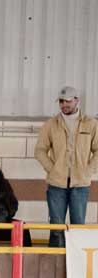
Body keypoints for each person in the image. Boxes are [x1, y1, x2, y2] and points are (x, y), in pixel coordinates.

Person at [34, 86, 98, 247]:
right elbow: (40, 151)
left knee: (78, 227)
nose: (64, 104)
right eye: (61, 101)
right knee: (56, 227)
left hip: (80, 185)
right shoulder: (50, 124)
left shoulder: (91, 124)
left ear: (77, 100)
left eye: (68, 101)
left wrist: (88, 170)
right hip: (56, 185)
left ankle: (77, 260)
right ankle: (55, 261)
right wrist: (52, 169)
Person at [0, 151, 32, 246]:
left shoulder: (3, 182)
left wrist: (6, 214)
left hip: (3, 222)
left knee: (23, 228)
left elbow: (13, 203)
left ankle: (25, 255)